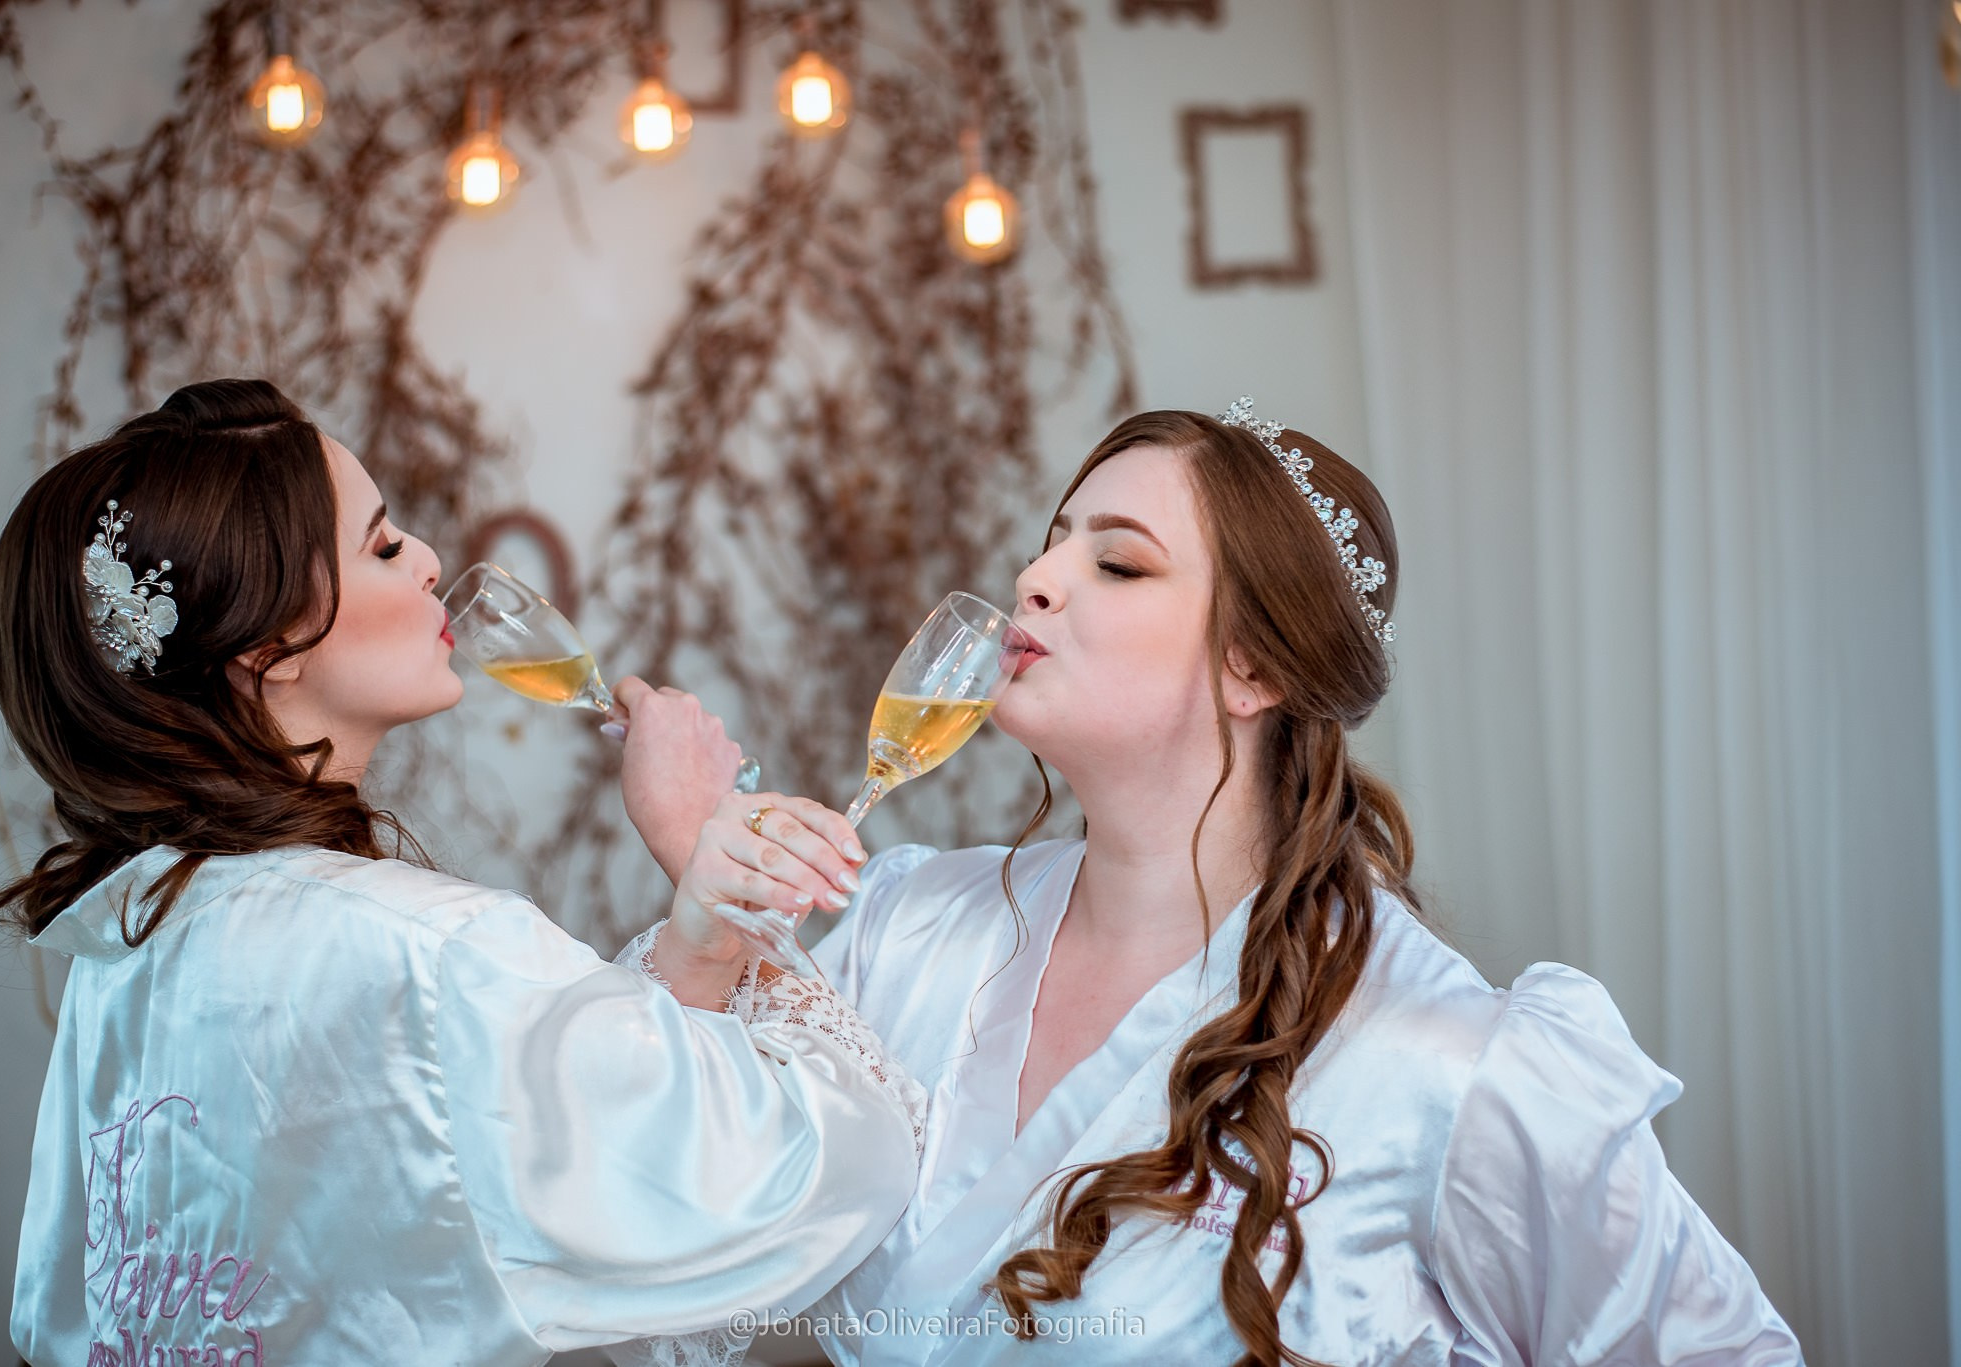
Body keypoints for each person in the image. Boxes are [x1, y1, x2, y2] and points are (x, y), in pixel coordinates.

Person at [648, 401, 1805, 1365]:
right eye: (1050, 542)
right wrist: (701, 934)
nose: (1032, 577)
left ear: (1252, 664)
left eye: (1115, 560)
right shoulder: (906, 926)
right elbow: (664, 1227)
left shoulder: (1443, 1066)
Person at [0, 378, 920, 1367]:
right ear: (271, 646)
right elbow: (830, 1166)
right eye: (383, 545)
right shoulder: (433, 958)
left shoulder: (124, 945)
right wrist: (706, 852)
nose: (431, 558)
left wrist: (700, 939)